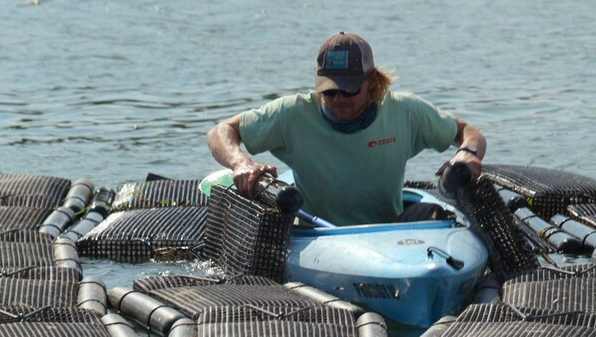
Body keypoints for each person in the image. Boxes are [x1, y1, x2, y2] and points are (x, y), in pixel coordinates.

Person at [207, 31, 486, 226]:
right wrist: (240, 162)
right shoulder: (292, 114)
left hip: (388, 233)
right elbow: (220, 132)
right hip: (317, 234)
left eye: (349, 90)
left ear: (372, 81)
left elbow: (469, 132)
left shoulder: (405, 111)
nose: (338, 99)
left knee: (436, 215)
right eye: (329, 91)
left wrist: (467, 152)